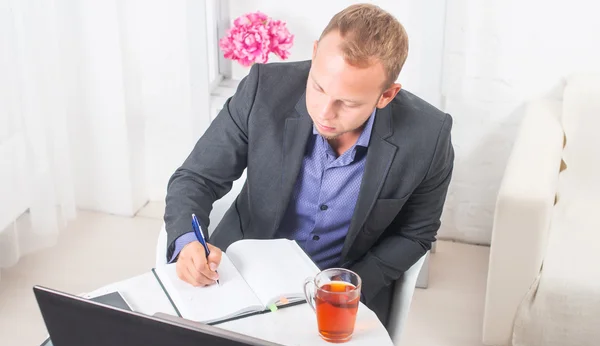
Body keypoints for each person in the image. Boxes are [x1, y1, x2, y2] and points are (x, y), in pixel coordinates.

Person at [164, 3, 454, 327]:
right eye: (318, 87)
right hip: (237, 277)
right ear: (315, 53)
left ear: (386, 95)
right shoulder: (264, 88)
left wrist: (347, 288)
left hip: (337, 302)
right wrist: (188, 243)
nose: (325, 112)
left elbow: (416, 233)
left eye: (348, 102)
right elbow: (196, 178)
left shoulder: (429, 137)